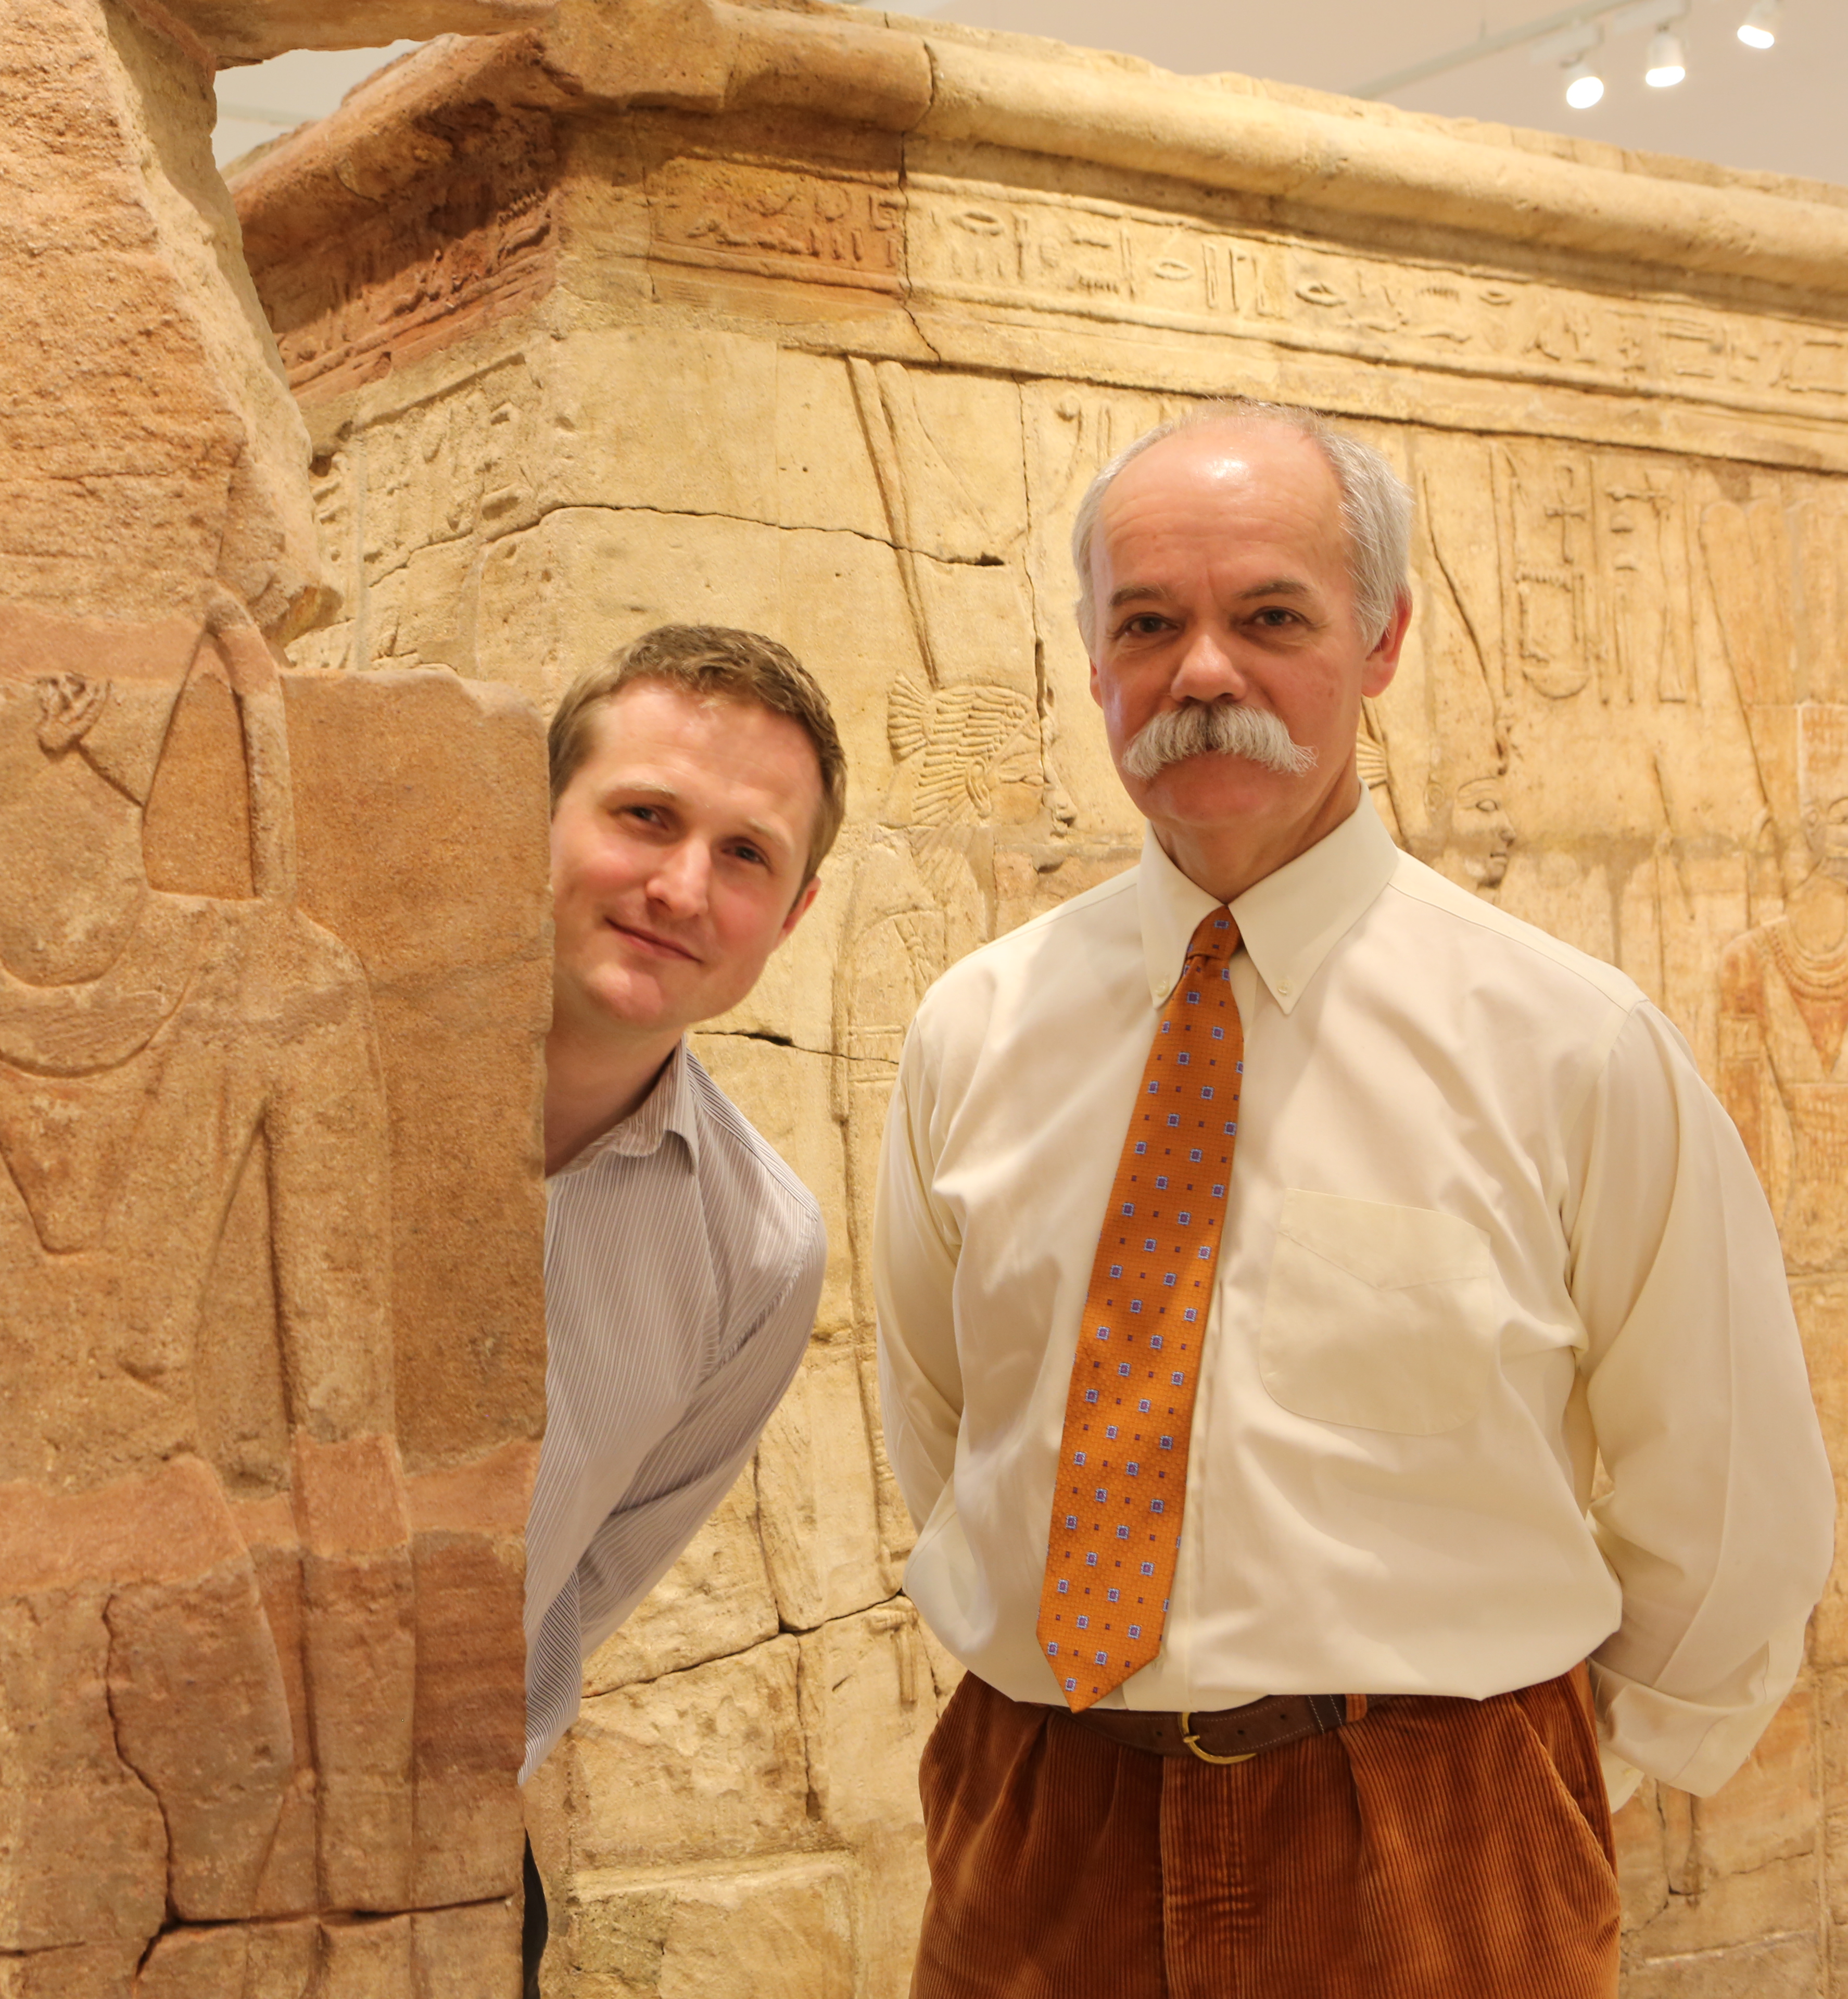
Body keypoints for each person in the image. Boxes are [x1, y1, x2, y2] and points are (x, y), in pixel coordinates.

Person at [875, 400, 1831, 1995]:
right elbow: (949, 1426)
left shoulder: (1573, 1047)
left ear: (1381, 640)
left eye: (1269, 618)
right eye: (1148, 623)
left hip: (1435, 1840)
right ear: (1093, 658)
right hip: (1043, 1824)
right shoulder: (972, 1028)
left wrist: (1541, 1788)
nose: (1201, 674)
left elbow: (1728, 1500)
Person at [523, 625, 842, 1983]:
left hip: (434, 1862)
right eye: (644, 817)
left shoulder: (759, 1254)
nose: (680, 886)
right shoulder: (292, 1061)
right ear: (533, 818)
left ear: (796, 913)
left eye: (747, 854)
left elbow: (579, 1591)